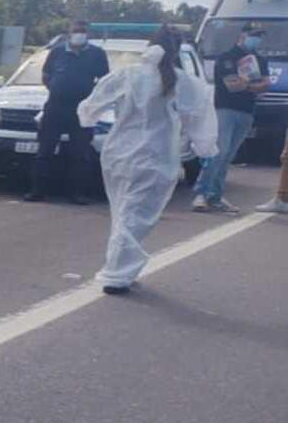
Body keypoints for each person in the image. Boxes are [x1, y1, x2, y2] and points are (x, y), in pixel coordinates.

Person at [76, 27, 217, 295]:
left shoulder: (128, 75)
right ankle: (117, 274)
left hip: (119, 154)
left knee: (123, 212)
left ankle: (121, 269)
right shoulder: (182, 81)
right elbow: (199, 118)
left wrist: (88, 119)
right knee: (135, 215)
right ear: (176, 51)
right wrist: (205, 148)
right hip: (156, 155)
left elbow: (91, 106)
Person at [26, 20, 108, 204]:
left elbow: (104, 80)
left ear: (88, 34)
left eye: (82, 31)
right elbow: (46, 75)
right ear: (69, 33)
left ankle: (78, 193)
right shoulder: (57, 52)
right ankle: (37, 191)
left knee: (80, 153)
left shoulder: (97, 54)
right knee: (44, 150)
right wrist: (57, 89)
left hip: (82, 109)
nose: (79, 33)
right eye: (76, 30)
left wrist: (89, 97)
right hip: (55, 106)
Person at [197, 22, 271, 213]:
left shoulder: (260, 60)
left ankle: (216, 196)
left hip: (247, 111)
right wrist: (250, 84)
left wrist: (246, 84)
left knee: (229, 155)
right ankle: (202, 193)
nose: (257, 39)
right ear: (242, 36)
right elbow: (232, 85)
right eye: (254, 35)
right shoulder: (227, 58)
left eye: (259, 36)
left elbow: (265, 85)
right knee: (219, 152)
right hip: (225, 109)